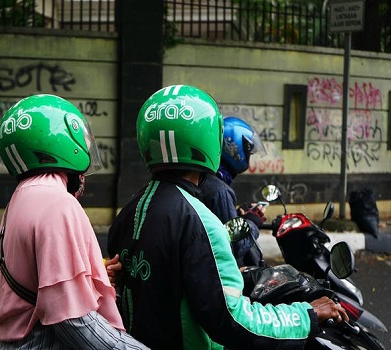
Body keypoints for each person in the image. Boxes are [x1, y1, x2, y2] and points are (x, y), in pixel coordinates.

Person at [107, 84, 348, 349]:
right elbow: (232, 320)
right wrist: (307, 315)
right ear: (210, 139)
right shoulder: (201, 223)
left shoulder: (131, 210)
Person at [0, 94, 148, 349]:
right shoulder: (56, 202)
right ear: (61, 142)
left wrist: (87, 277)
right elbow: (71, 319)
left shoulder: (22, 197)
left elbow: (29, 280)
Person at [198, 116, 267, 267]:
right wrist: (253, 221)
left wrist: (237, 215)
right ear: (234, 147)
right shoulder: (220, 191)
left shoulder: (204, 179)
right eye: (249, 152)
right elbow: (234, 246)